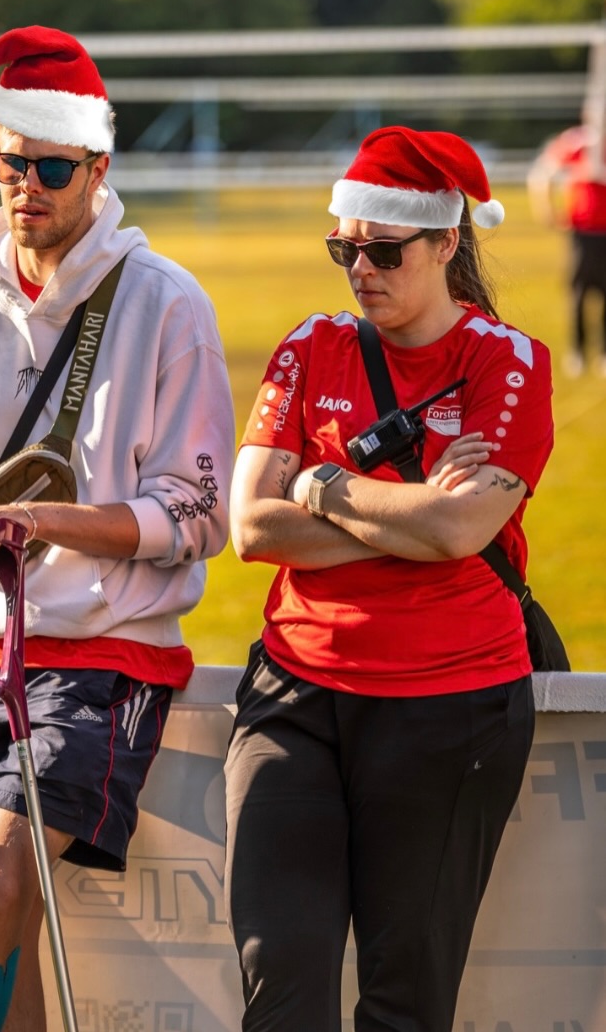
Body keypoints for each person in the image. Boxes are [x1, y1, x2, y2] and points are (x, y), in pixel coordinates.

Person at [0, 25, 234, 1032]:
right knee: (2, 913)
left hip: (103, 649)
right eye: (9, 164)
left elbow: (199, 511)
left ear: (98, 167)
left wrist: (44, 520)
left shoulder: (167, 302)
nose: (25, 186)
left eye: (50, 168)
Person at [224, 126, 554, 1031]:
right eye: (345, 250)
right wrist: (412, 518)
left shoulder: (507, 360)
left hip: (450, 708)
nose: (360, 271)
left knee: (403, 1007)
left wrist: (322, 485)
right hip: (295, 696)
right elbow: (250, 527)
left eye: (383, 251)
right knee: (278, 987)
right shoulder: (311, 345)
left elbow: (460, 530)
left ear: (446, 243)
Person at [527, 118, 606, 376]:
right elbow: (543, 173)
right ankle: (578, 351)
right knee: (580, 291)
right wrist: (547, 210)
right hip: (584, 231)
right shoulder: (578, 142)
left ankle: (603, 353)